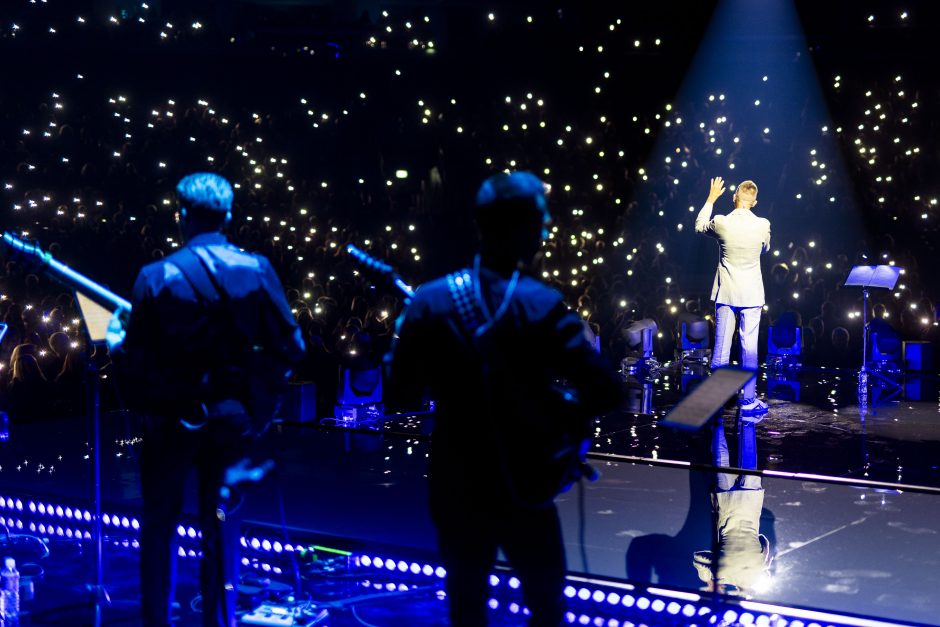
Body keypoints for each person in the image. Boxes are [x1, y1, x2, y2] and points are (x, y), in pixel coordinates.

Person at [388, 171, 621, 626]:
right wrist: (556, 411)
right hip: (524, 483)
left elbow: (399, 393)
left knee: (466, 604)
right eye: (541, 219)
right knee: (546, 603)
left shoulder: (431, 301)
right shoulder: (541, 304)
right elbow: (605, 389)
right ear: (522, 227)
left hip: (455, 480)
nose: (548, 227)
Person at [111, 172, 305, 627]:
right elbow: (292, 347)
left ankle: (156, 621)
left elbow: (135, 361)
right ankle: (219, 621)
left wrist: (117, 342)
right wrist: (259, 403)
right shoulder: (257, 270)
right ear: (229, 215)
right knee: (219, 525)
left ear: (181, 216)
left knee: (158, 526)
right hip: (232, 420)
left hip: (170, 421)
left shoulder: (156, 276)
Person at [695, 177, 771, 417]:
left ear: (733, 197)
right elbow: (765, 249)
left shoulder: (721, 222)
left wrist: (710, 198)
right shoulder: (763, 224)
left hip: (727, 292)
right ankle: (748, 400)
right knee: (749, 349)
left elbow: (698, 226)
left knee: (721, 348)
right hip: (751, 293)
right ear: (755, 202)